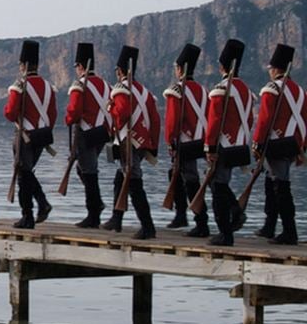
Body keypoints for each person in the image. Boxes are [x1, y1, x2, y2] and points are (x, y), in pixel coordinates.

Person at [103, 45, 160, 239]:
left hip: (128, 141)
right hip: (142, 143)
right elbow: (155, 120)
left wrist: (111, 109)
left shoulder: (120, 89)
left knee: (135, 185)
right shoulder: (143, 91)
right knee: (121, 179)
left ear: (120, 70)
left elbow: (122, 115)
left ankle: (148, 226)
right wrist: (153, 146)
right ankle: (116, 219)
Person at [251, 43, 306, 245]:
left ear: (275, 69)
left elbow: (264, 120)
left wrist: (257, 143)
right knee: (271, 183)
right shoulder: (300, 91)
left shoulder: (272, 89)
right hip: (292, 144)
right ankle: (269, 226)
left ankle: (289, 231)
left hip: (276, 144)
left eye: (270, 69)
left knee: (280, 187)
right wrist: (301, 149)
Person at [204, 39, 254, 247]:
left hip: (223, 146)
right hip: (239, 145)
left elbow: (214, 121)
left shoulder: (220, 89)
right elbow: (249, 119)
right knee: (221, 185)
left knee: (217, 188)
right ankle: (235, 212)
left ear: (222, 66)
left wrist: (210, 147)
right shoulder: (246, 90)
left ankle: (225, 233)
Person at [4, 40, 57, 229]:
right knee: (27, 174)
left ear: (23, 65)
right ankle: (41, 205)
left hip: (25, 136)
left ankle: (29, 215)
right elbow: (52, 115)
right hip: (42, 136)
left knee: (23, 175)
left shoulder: (20, 85)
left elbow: (10, 113)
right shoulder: (48, 86)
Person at [162, 43, 209, 237]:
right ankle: (182, 214)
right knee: (176, 173)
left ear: (180, 69)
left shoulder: (177, 90)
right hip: (202, 140)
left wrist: (170, 141)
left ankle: (199, 220)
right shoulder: (203, 90)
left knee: (189, 180)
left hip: (185, 142)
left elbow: (172, 120)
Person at [64, 43, 111, 228]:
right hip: (102, 133)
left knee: (88, 173)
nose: (76, 70)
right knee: (85, 170)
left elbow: (74, 111)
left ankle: (93, 213)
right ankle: (96, 203)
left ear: (81, 66)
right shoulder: (105, 85)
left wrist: (67, 118)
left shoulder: (79, 85)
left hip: (86, 133)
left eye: (77, 66)